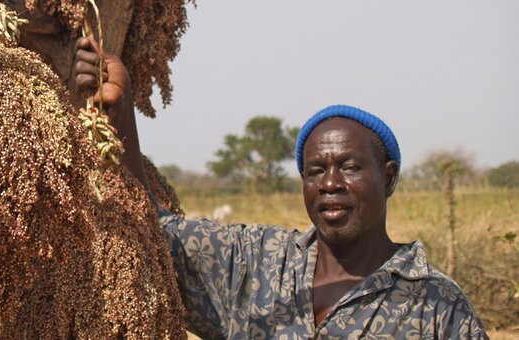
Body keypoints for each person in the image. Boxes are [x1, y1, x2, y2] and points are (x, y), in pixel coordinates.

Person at [73, 37, 488, 339]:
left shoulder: (436, 307)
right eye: (315, 171)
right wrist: (120, 111)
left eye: (349, 166)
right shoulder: (257, 264)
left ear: (389, 177)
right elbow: (150, 232)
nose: (330, 183)